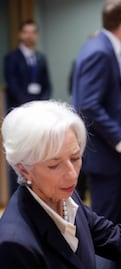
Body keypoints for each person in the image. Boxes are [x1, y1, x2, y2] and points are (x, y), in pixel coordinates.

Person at [0, 100, 121, 269]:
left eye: (75, 158)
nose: (71, 174)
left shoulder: (67, 198)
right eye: (54, 165)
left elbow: (120, 241)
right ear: (24, 170)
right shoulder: (14, 244)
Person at [71, 0, 121, 269]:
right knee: (107, 232)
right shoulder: (100, 51)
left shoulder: (104, 46)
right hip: (104, 155)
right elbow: (87, 104)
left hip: (107, 155)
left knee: (112, 226)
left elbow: (101, 99)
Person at [3, 19, 52, 197]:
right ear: (20, 35)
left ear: (36, 35)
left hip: (38, 114)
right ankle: (16, 197)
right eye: (26, 32)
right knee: (18, 154)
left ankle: (37, 194)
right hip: (19, 112)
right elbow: (12, 84)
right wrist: (29, 107)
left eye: (33, 32)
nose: (30, 35)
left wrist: (41, 106)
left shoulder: (41, 58)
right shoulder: (11, 58)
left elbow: (47, 85)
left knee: (36, 155)